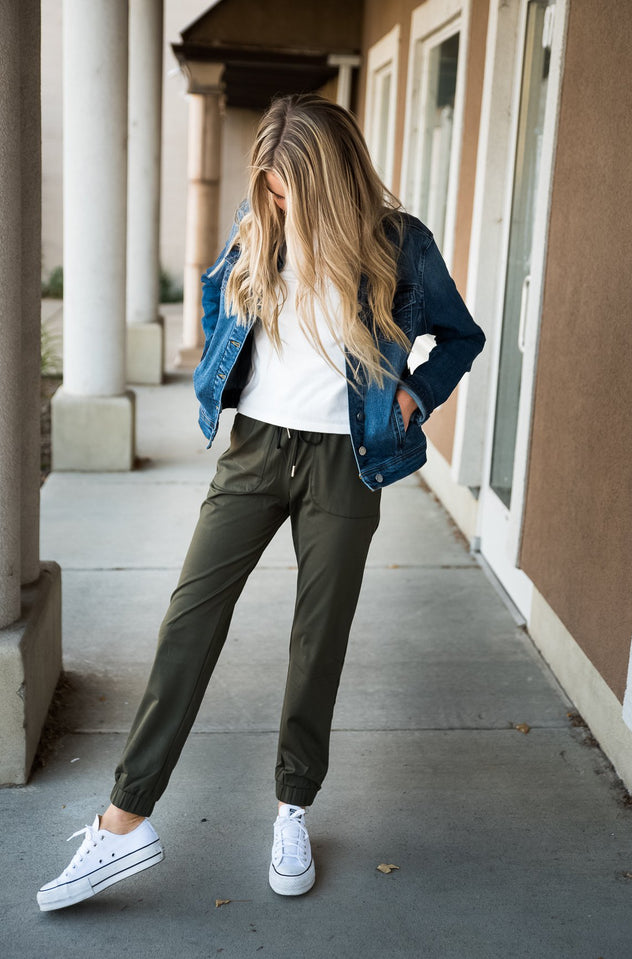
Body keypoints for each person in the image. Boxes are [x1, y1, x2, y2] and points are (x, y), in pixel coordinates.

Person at [37, 93, 485, 911]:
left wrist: (415, 395)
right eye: (269, 186)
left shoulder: (398, 242)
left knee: (319, 640)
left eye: (289, 186)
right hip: (256, 452)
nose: (277, 199)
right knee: (189, 620)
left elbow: (461, 334)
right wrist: (220, 371)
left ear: (330, 175)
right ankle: (125, 818)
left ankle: (292, 807)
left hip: (346, 464)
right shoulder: (258, 223)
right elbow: (218, 298)